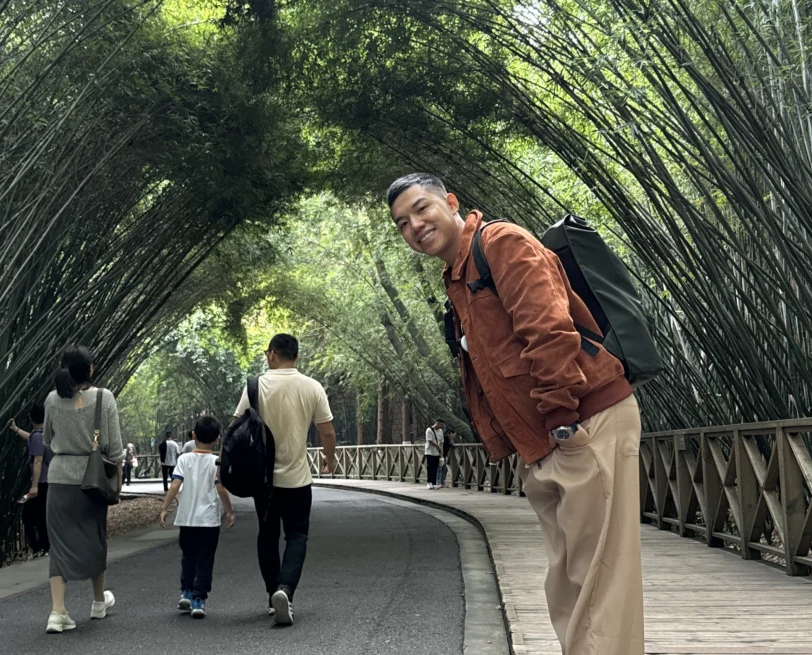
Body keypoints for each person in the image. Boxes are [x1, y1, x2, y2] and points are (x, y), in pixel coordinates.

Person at [388, 174, 644, 654]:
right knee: (567, 586)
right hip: (547, 439)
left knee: (601, 584)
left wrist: (562, 421)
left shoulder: (500, 243)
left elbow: (549, 330)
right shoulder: (456, 278)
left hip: (584, 421)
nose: (415, 225)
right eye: (402, 222)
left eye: (422, 209)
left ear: (451, 201)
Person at [232, 333, 337, 626]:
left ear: (272, 355)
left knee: (267, 536)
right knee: (297, 535)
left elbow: (236, 427)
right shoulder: (312, 386)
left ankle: (271, 596)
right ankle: (285, 590)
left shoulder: (256, 386)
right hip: (298, 477)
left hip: (262, 480)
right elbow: (327, 431)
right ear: (297, 356)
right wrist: (330, 458)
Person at [41, 345, 123, 634]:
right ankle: (99, 602)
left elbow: (48, 440)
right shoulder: (104, 397)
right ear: (90, 369)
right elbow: (114, 448)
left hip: (60, 479)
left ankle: (57, 612)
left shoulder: (52, 399)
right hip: (92, 480)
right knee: (96, 537)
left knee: (59, 544)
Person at [159, 416, 235, 619]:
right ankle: (198, 600)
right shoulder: (216, 462)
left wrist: (165, 508)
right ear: (218, 439)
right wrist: (229, 510)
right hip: (208, 520)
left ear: (193, 435)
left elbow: (175, 485)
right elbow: (221, 489)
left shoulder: (184, 459)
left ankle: (186, 591)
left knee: (188, 556)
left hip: (187, 519)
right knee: (205, 559)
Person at [8, 404, 52, 555]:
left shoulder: (38, 436)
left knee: (29, 516)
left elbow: (38, 460)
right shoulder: (45, 434)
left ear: (31, 418)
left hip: (40, 482)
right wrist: (16, 429)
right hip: (49, 481)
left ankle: (40, 547)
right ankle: (43, 547)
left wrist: (34, 486)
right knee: (41, 515)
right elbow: (31, 437)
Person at [424, 420, 443, 490]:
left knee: (435, 468)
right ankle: (429, 482)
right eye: (441, 425)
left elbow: (441, 441)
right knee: (430, 467)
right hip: (429, 451)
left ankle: (434, 483)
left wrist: (441, 451)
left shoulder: (440, 431)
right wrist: (437, 446)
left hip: (437, 452)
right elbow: (429, 440)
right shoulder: (429, 430)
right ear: (437, 423)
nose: (442, 426)